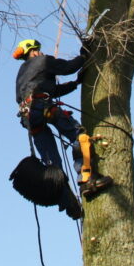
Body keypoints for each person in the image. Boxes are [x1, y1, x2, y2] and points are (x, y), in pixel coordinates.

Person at [13, 38, 114, 200]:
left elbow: (50, 90)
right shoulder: (42, 61)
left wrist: (74, 84)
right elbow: (69, 67)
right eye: (38, 49)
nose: (41, 52)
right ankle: (87, 179)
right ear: (33, 51)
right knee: (79, 136)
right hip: (42, 108)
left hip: (30, 119)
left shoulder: (21, 75)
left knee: (52, 164)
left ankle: (66, 200)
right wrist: (84, 55)